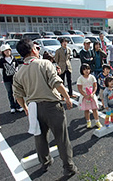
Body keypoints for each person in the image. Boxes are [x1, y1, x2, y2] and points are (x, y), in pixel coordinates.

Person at [13, 38, 77, 176]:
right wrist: (67, 98)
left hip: (33, 108)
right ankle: (68, 167)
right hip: (52, 107)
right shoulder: (44, 63)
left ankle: (45, 162)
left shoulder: (19, 71)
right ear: (33, 50)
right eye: (36, 48)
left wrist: (25, 108)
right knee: (62, 138)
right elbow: (57, 83)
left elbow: (17, 94)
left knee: (40, 138)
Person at [77, 63, 102, 129]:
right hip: (85, 96)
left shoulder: (92, 77)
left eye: (88, 69)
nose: (86, 71)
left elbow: (95, 85)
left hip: (92, 96)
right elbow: (79, 88)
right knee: (87, 110)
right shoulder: (80, 78)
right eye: (84, 69)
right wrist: (84, 95)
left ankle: (97, 121)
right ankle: (88, 121)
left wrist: (93, 93)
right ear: (82, 71)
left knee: (94, 109)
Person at [0, 44, 23, 113]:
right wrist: (2, 78)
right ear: (3, 52)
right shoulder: (1, 61)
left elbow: (17, 68)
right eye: (5, 51)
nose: (7, 52)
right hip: (6, 79)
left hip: (15, 78)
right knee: (10, 93)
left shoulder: (14, 59)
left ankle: (18, 106)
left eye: (8, 50)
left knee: (17, 92)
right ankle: (12, 106)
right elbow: (1, 70)